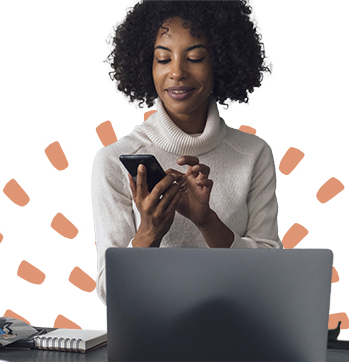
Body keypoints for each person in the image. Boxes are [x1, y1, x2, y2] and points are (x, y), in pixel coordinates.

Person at [92, 0, 283, 304]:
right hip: (151, 341)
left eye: (194, 57)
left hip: (237, 336)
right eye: (163, 59)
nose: (177, 72)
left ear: (220, 61)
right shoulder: (115, 161)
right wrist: (149, 233)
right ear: (147, 65)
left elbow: (272, 273)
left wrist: (207, 221)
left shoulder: (253, 154)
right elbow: (109, 293)